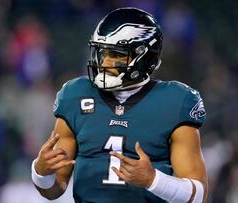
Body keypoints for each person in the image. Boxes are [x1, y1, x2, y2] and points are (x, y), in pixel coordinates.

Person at [31, 7, 208, 203]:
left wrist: (153, 180)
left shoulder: (175, 101)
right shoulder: (75, 95)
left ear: (144, 56)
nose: (105, 62)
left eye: (116, 54)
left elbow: (198, 195)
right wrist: (41, 173)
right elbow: (54, 189)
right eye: (102, 52)